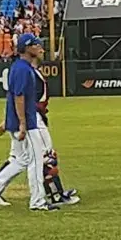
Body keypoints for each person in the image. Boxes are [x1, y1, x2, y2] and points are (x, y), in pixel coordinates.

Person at [0, 33, 57, 212]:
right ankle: (37, 202)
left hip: (19, 121)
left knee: (22, 160)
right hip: (27, 123)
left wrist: (9, 122)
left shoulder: (20, 67)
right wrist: (22, 124)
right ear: (28, 48)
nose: (39, 47)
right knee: (36, 161)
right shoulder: (23, 69)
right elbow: (19, 97)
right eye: (36, 45)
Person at [34, 64, 79, 205]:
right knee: (47, 157)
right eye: (37, 46)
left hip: (36, 118)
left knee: (29, 158)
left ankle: (57, 192)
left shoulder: (32, 72)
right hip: (34, 119)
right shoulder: (28, 73)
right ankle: (55, 196)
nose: (41, 50)